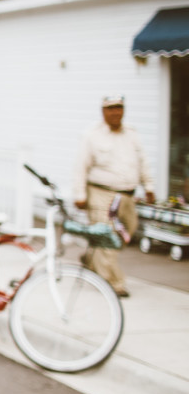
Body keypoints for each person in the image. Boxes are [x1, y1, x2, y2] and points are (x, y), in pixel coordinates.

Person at [73, 95, 156, 297]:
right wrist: (79, 194)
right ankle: (114, 283)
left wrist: (149, 186)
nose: (115, 112)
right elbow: (80, 166)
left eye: (119, 108)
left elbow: (142, 161)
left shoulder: (131, 134)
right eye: (110, 108)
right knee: (106, 236)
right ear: (103, 111)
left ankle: (93, 260)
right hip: (101, 193)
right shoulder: (92, 135)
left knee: (128, 230)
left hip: (127, 195)